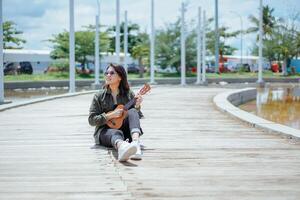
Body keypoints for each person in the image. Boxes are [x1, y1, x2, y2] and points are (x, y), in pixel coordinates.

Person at [88, 64, 144, 162]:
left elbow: (136, 116)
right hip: (105, 132)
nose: (108, 75)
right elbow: (91, 120)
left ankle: (136, 143)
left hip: (125, 132)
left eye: (112, 73)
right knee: (115, 133)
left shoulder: (128, 94)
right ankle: (121, 147)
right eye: (106, 73)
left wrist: (137, 106)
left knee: (133, 111)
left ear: (120, 77)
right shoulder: (99, 96)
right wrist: (110, 115)